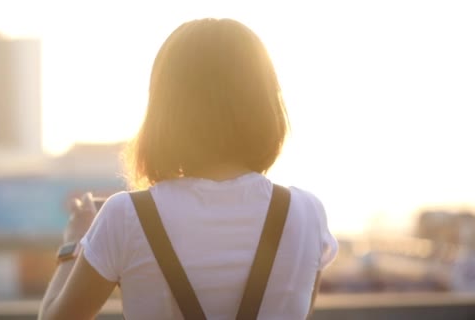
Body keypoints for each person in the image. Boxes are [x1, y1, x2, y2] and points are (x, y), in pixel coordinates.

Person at [38, 18, 338, 320]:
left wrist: (74, 244)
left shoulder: (125, 217)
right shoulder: (305, 213)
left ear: (164, 111)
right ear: (266, 104)